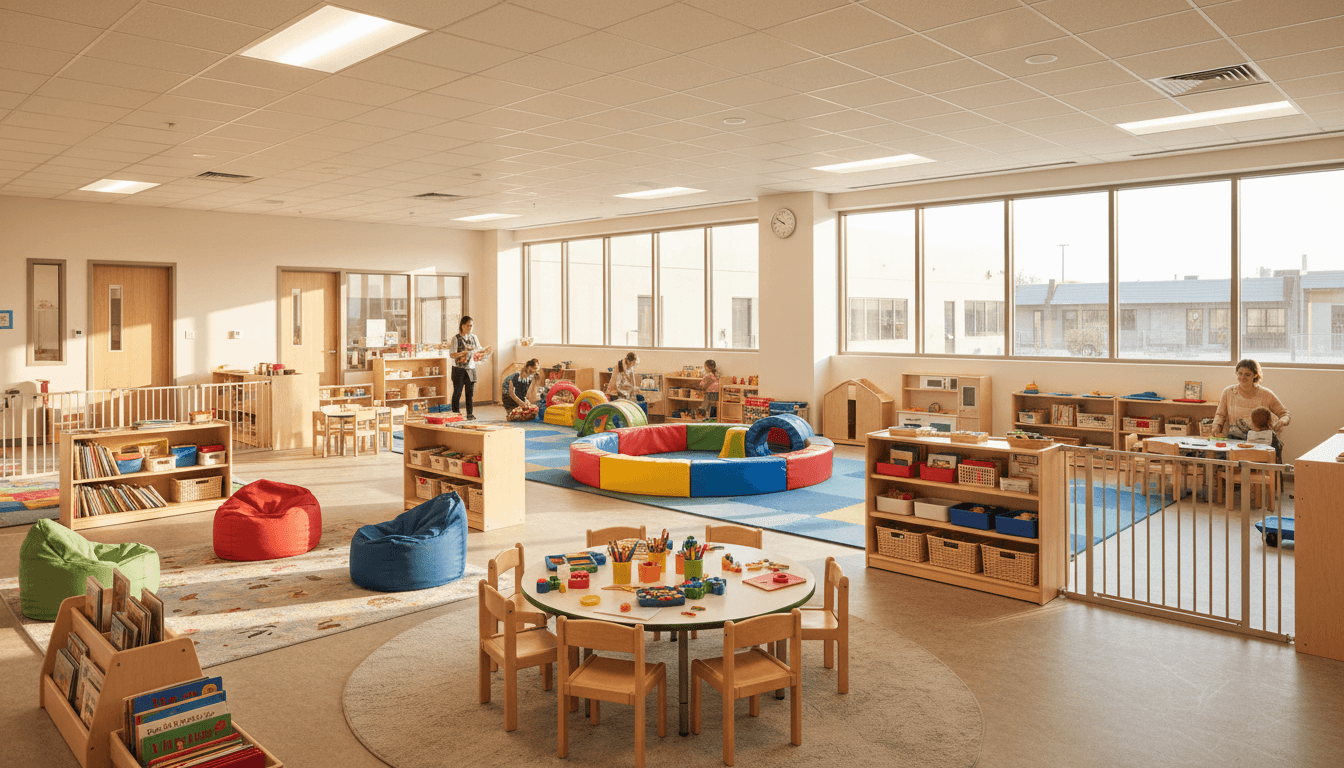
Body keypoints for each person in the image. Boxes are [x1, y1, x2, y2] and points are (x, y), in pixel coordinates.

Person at [1212, 358, 1289, 460]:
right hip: (1234, 440)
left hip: (1258, 442)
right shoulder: (1228, 392)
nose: (1242, 377)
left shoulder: (1265, 394)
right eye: (1240, 373)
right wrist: (1216, 426)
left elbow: (1284, 414)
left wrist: (1282, 422)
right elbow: (1220, 414)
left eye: (1247, 374)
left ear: (1255, 375)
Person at [449, 316, 490, 420]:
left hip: (471, 368)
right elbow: (452, 355)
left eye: (471, 326)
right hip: (458, 369)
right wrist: (462, 353)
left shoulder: (474, 337)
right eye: (468, 326)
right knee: (457, 392)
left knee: (469, 393)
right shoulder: (456, 338)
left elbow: (479, 350)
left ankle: (470, 414)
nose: (470, 328)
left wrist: (484, 353)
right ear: (462, 326)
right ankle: (455, 414)